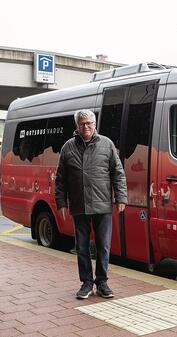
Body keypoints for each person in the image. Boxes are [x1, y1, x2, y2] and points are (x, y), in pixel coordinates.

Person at [55, 109, 127, 300]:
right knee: (82, 246)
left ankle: (102, 282)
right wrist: (61, 202)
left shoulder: (106, 144)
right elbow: (60, 179)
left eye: (89, 123)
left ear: (95, 125)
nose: (85, 127)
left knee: (104, 245)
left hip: (103, 205)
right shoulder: (68, 148)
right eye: (82, 124)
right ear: (77, 126)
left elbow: (117, 173)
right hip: (79, 205)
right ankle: (86, 283)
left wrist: (121, 197)